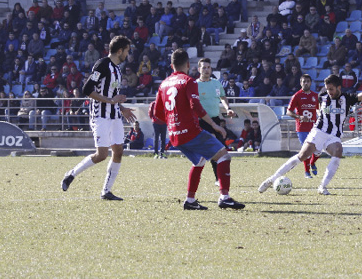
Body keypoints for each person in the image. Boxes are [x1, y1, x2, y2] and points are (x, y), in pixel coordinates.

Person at [258, 72, 362, 196]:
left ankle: (322, 187)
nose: (329, 92)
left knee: (338, 150)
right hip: (319, 131)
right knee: (302, 156)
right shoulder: (322, 96)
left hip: (334, 135)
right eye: (327, 89)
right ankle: (272, 179)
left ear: (339, 87)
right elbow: (319, 109)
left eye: (331, 89)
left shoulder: (347, 98)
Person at [151, 49, 245, 211]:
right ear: (188, 64)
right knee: (223, 156)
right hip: (190, 131)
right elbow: (196, 106)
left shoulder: (164, 84)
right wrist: (215, 126)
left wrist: (174, 124)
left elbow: (157, 114)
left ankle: (190, 200)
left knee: (200, 161)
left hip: (174, 134)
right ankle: (225, 198)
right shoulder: (189, 81)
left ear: (171, 65)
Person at [61, 36, 136, 201]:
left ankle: (106, 191)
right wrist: (110, 101)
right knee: (101, 154)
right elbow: (87, 89)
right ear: (119, 51)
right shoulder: (102, 65)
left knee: (118, 151)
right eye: (127, 50)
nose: (128, 54)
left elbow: (114, 95)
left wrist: (121, 108)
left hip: (115, 115)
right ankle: (71, 174)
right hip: (100, 115)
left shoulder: (117, 69)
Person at [196, 57, 237, 180]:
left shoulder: (216, 83)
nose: (206, 70)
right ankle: (216, 179)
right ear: (199, 69)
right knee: (213, 150)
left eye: (208, 67)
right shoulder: (195, 85)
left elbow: (223, 97)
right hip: (201, 122)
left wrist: (227, 108)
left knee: (219, 150)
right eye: (204, 67)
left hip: (216, 120)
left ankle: (218, 179)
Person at [285, 74, 320, 178]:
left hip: (314, 127)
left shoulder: (315, 96)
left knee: (318, 150)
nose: (306, 83)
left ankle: (313, 162)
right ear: (300, 83)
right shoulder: (297, 95)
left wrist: (321, 115)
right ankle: (307, 171)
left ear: (310, 83)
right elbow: (288, 112)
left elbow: (318, 109)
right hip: (302, 128)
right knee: (306, 150)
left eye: (307, 81)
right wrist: (298, 117)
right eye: (303, 81)